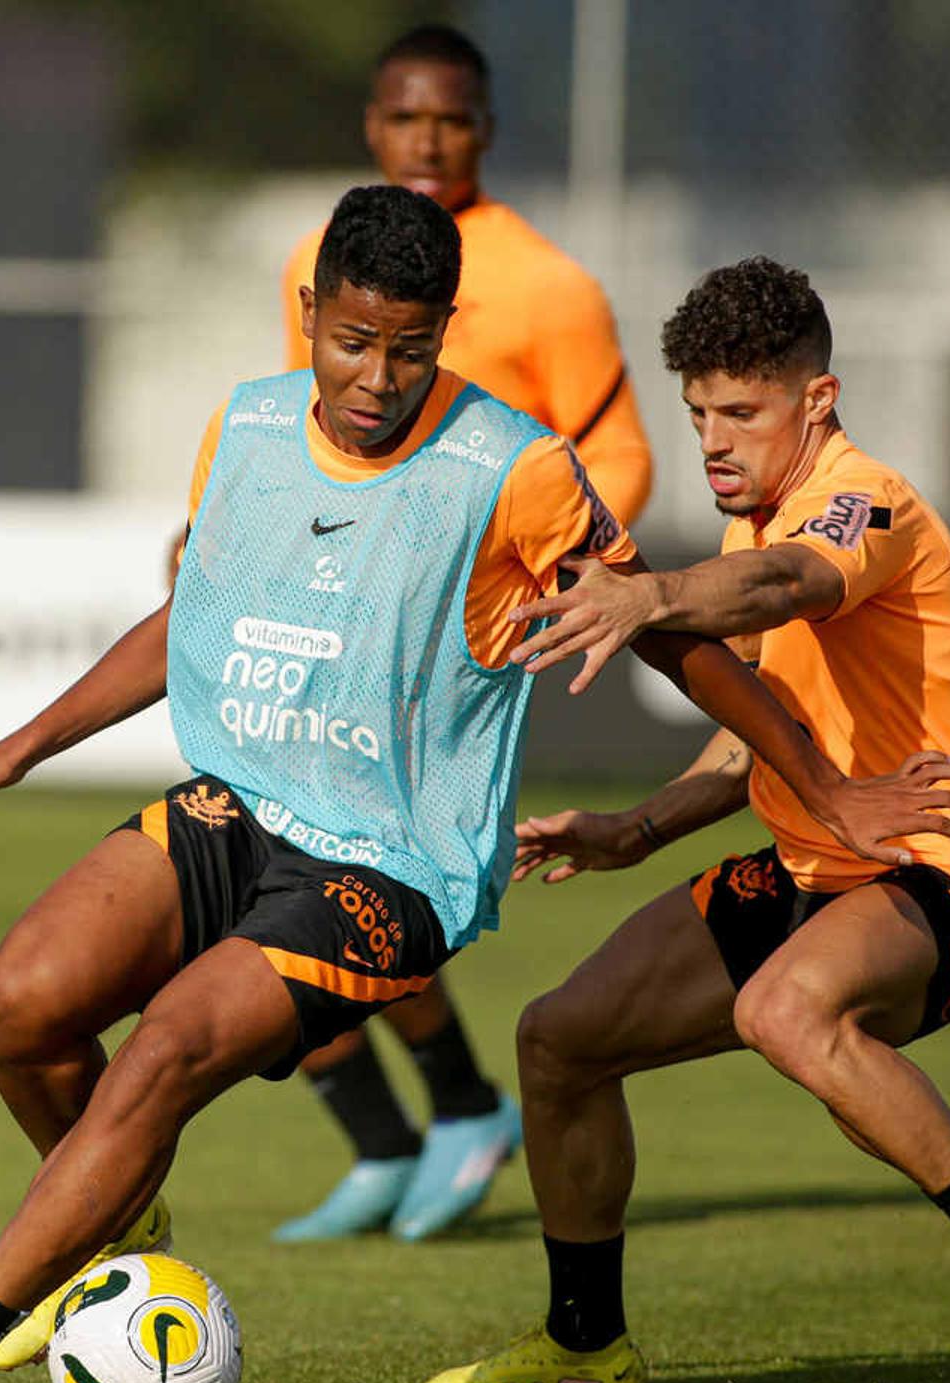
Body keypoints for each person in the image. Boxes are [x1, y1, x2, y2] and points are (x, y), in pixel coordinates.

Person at [0, 194, 950, 1383]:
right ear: (312, 315)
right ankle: (115, 1216)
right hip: (239, 803)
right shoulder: (250, 423)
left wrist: (823, 786)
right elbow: (195, 619)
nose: (379, 378)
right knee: (23, 1000)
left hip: (394, 859)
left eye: (414, 349)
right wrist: (19, 747)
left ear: (444, 335)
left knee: (164, 1050)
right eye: (354, 342)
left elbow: (681, 641)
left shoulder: (516, 467)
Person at [422, 258, 950, 1383]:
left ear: (816, 400)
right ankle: (587, 1342)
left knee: (781, 1006)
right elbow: (751, 743)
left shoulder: (861, 497)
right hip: (811, 865)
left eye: (741, 410)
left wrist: (650, 594)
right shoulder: (751, 526)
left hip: (940, 866)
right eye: (697, 415)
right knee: (558, 1040)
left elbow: (787, 584)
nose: (714, 440)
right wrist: (636, 828)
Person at [268, 23, 658, 1244]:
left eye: (451, 120)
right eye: (403, 118)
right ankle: (405, 1132)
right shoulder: (321, 257)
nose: (426, 140)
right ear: (371, 128)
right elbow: (308, 432)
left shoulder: (549, 284)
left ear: (484, 128)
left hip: (456, 638)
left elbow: (621, 457)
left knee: (333, 873)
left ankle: (448, 1112)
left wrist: (545, 579)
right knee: (277, 856)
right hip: (337, 614)